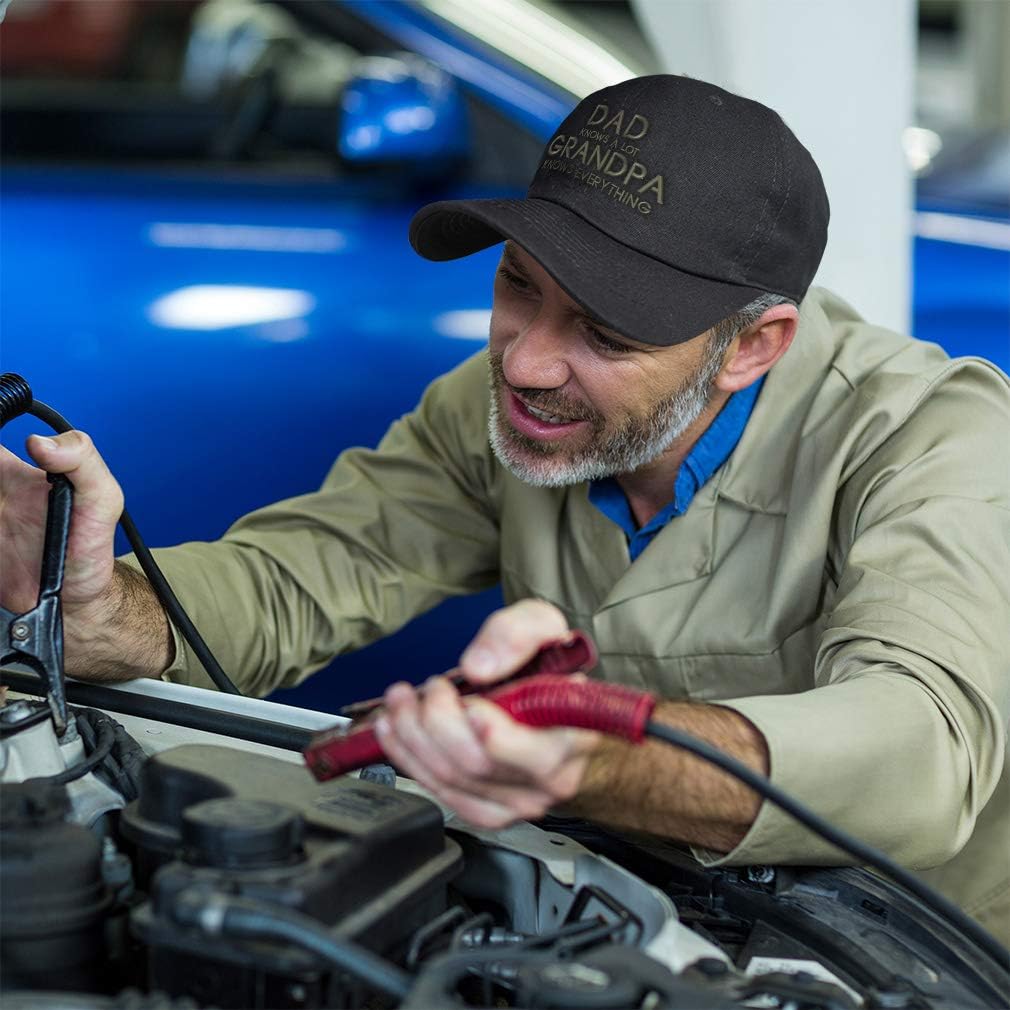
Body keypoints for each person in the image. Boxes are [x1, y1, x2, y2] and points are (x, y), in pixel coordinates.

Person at [2, 75, 1008, 942]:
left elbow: (921, 750)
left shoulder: (931, 436)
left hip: (906, 952)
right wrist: (101, 607)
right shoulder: (494, 410)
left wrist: (593, 750)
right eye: (518, 284)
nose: (525, 363)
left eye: (603, 333)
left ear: (750, 346)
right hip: (624, 917)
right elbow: (301, 576)